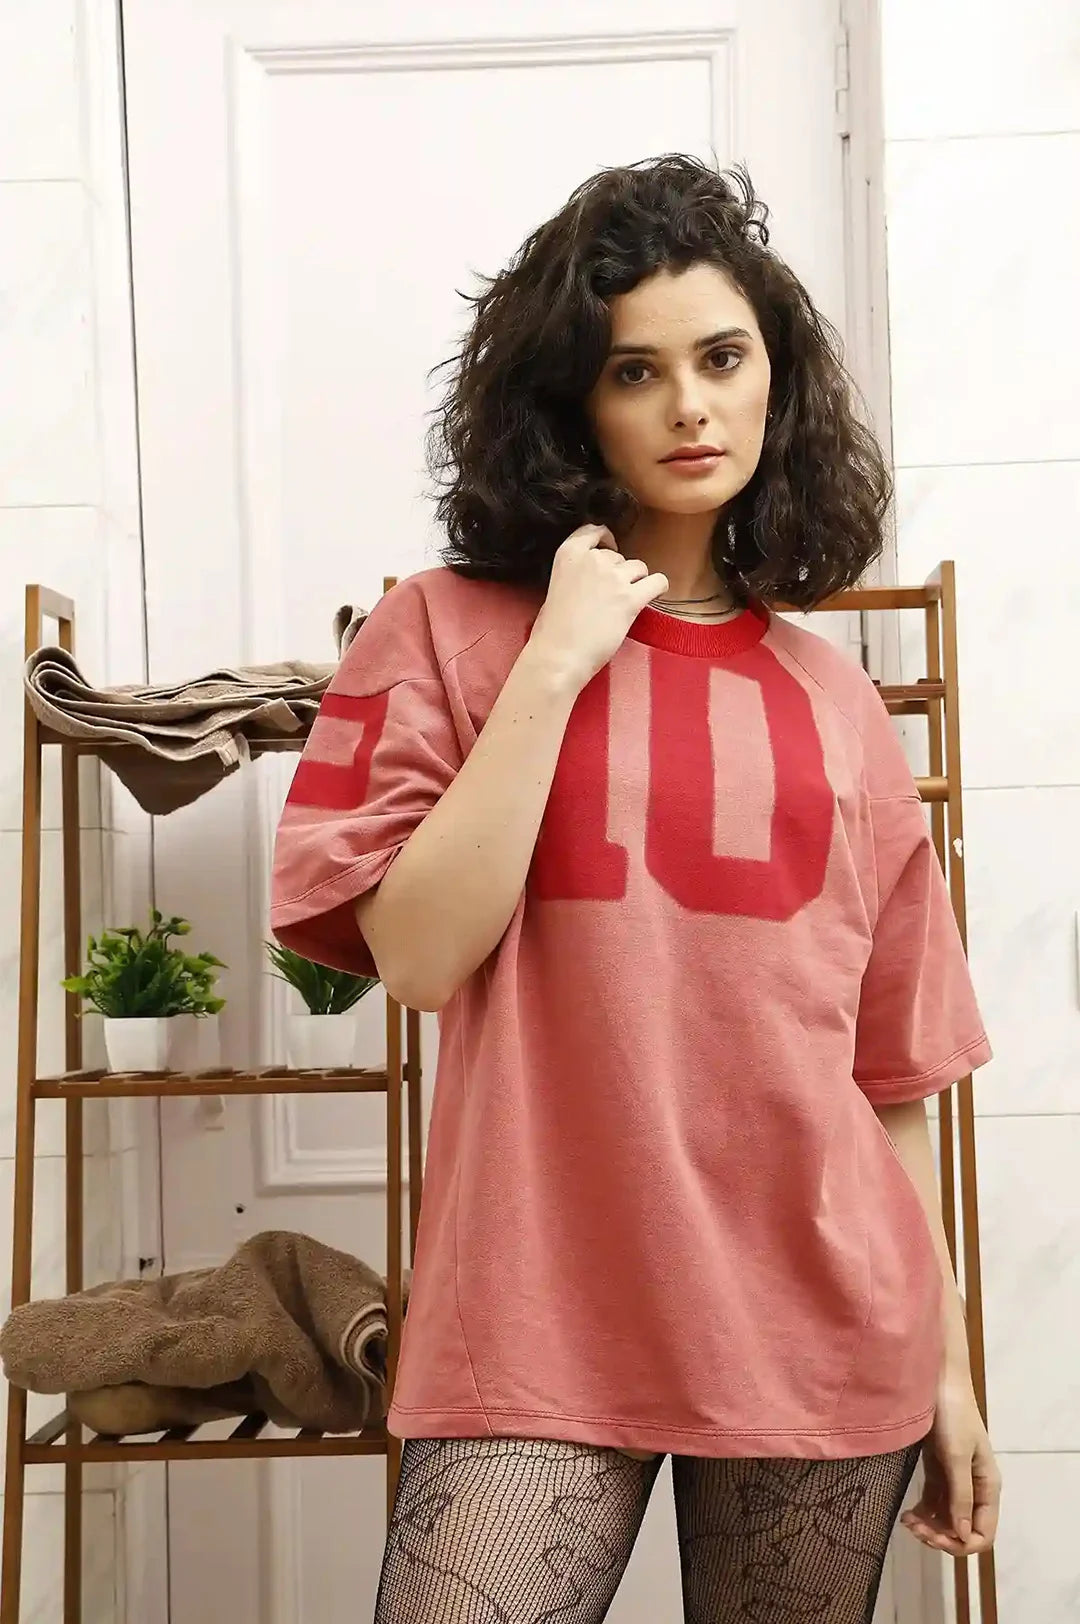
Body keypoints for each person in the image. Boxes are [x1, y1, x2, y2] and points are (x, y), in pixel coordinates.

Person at [270, 156, 1001, 1622]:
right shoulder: (447, 632)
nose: (690, 406)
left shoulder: (837, 705)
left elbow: (896, 1079)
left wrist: (950, 1367)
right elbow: (413, 957)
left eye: (724, 360)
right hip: (538, 1313)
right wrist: (557, 659)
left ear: (773, 384)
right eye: (636, 370)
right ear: (571, 401)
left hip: (816, 1316)